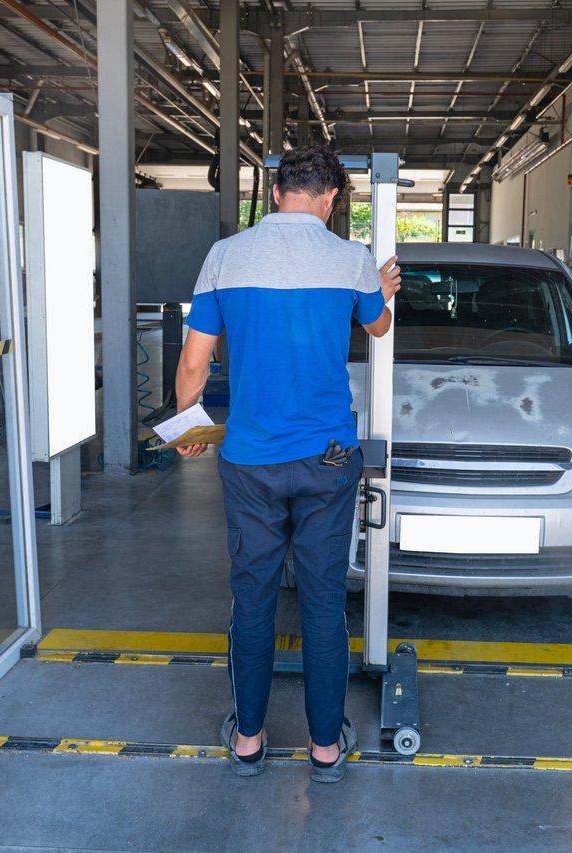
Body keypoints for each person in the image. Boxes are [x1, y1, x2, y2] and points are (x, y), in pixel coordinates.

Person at [173, 146, 401, 782]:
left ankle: (248, 739)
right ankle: (326, 748)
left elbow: (195, 363)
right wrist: (379, 288)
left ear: (277, 192)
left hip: (249, 461)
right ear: (329, 199)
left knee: (253, 598)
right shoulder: (351, 260)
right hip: (329, 459)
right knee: (325, 601)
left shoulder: (225, 257)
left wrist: (186, 430)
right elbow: (378, 328)